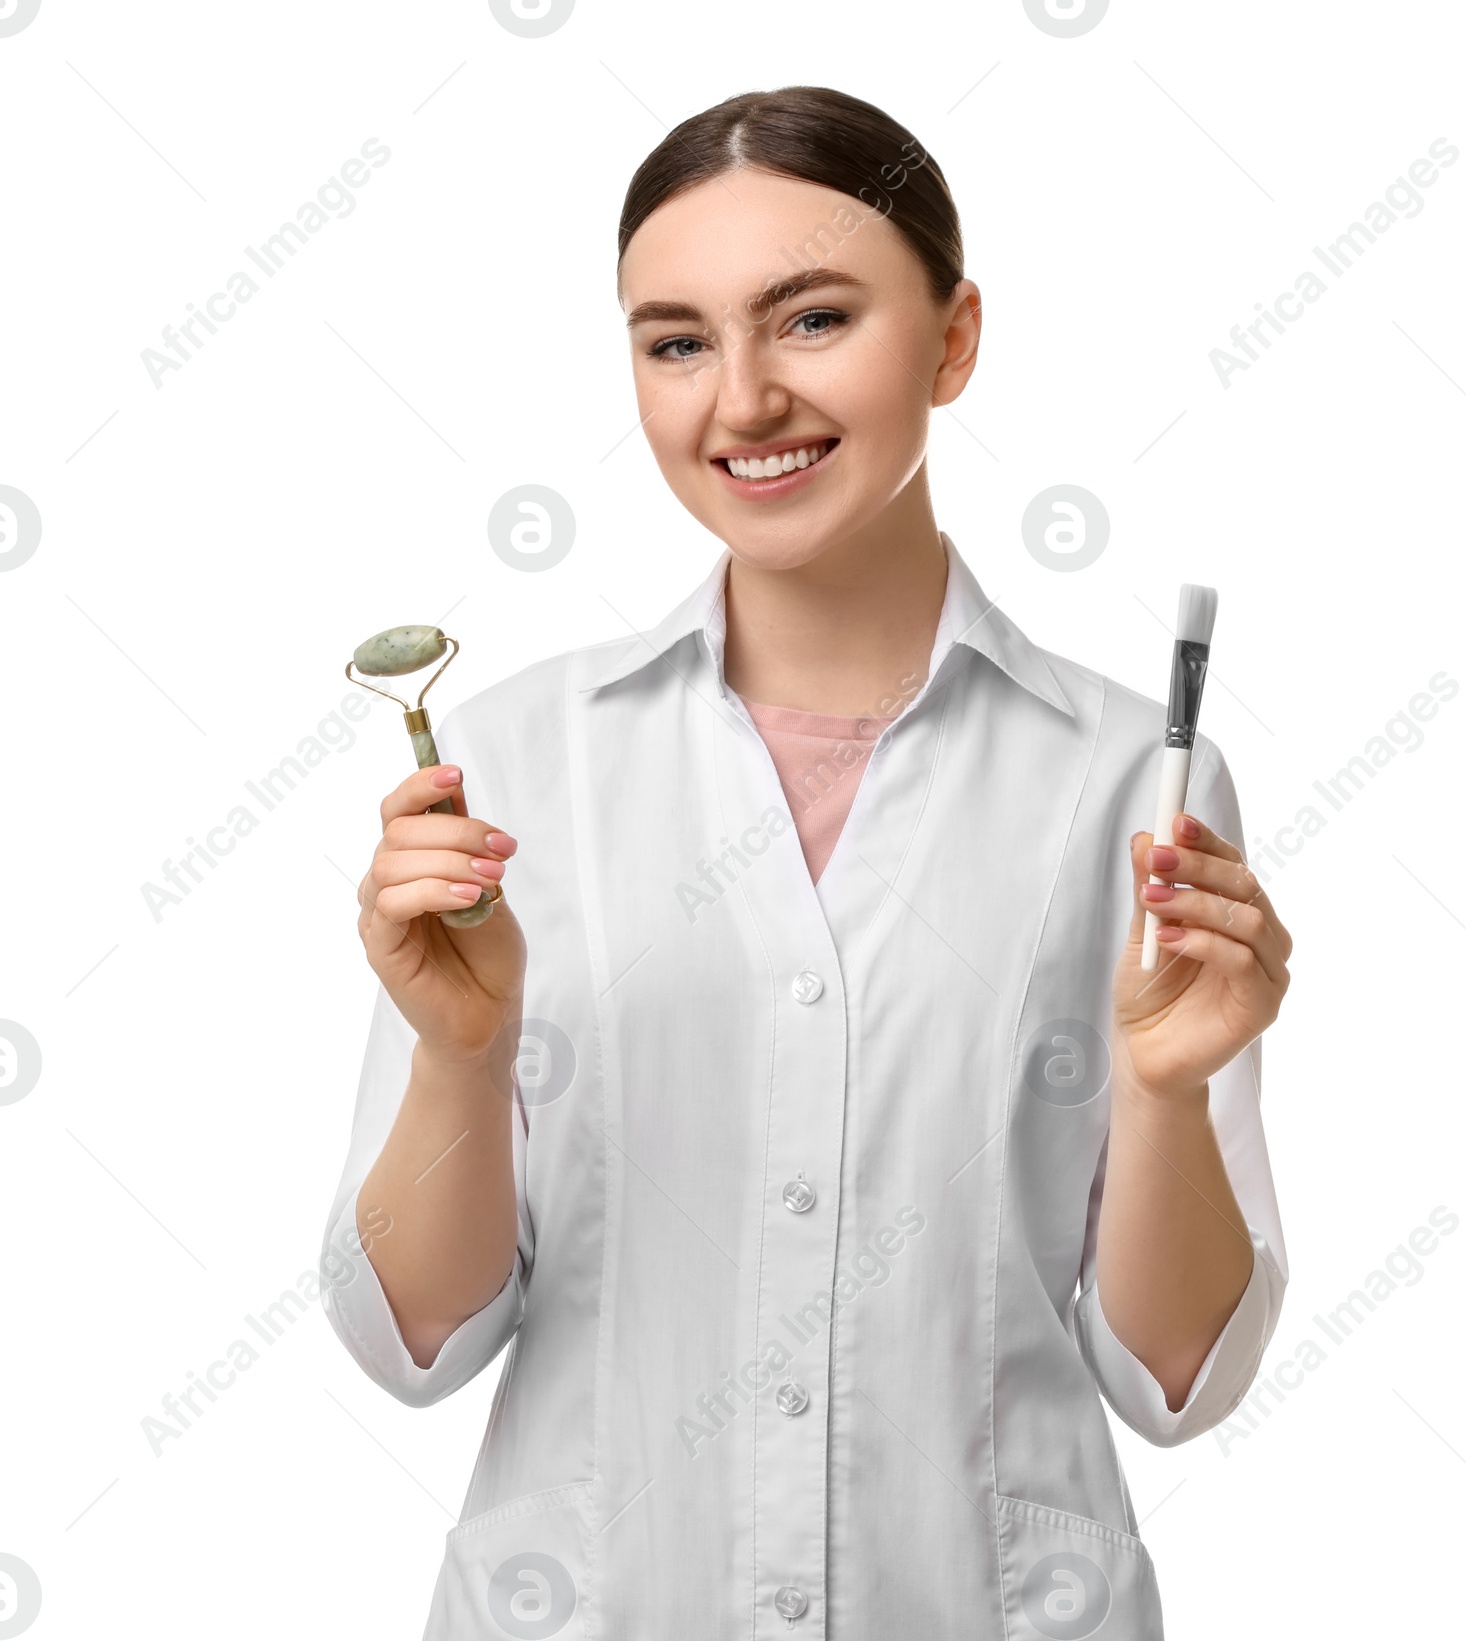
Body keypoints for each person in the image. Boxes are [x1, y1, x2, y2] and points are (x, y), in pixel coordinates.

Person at [321, 84, 1293, 1640]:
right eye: (678, 340)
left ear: (955, 339)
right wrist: (464, 1049)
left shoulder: (1134, 782)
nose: (745, 400)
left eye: (816, 317)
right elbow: (417, 1338)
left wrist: (1166, 1088)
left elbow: (1176, 1378)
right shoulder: (509, 762)